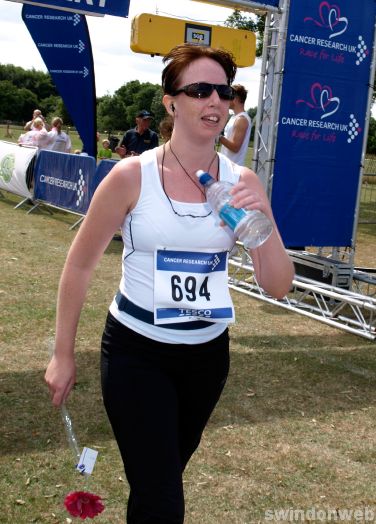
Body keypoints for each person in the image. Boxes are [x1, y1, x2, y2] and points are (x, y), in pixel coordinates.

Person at [45, 43, 294, 523]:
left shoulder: (243, 181)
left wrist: (264, 219)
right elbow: (78, 266)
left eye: (223, 91)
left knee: (158, 483)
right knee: (162, 497)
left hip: (206, 358)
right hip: (137, 353)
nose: (215, 102)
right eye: (199, 90)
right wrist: (63, 353)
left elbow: (278, 285)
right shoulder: (129, 177)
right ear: (171, 102)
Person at [218, 84, 252, 166]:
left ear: (235, 99)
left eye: (228, 97)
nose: (226, 100)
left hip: (233, 169)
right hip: (227, 167)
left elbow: (235, 147)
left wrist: (217, 137)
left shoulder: (241, 119)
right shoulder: (234, 117)